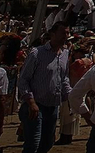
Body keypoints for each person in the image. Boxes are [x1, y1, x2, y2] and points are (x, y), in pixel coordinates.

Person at [19, 23, 73, 153]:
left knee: (48, 142)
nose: (66, 36)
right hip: (36, 105)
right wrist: (31, 102)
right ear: (52, 34)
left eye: (67, 33)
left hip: (53, 105)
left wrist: (70, 95)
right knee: (33, 143)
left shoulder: (65, 54)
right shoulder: (37, 53)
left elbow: (64, 78)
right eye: (63, 33)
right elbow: (23, 79)